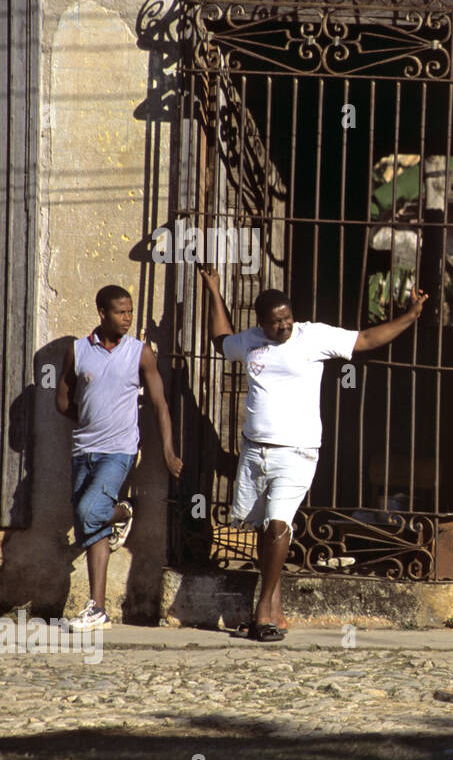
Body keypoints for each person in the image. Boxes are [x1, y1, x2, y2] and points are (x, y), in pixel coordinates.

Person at [198, 264, 427, 641]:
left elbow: (366, 339)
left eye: (287, 318)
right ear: (261, 323)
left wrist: (410, 316)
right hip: (255, 452)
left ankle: (262, 612)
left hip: (298, 451)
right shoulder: (251, 341)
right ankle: (276, 610)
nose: (283, 326)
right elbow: (220, 340)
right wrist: (214, 290)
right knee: (262, 530)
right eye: (275, 322)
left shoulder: (312, 337)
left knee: (278, 526)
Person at [55, 285, 183, 630]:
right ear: (102, 312)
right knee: (92, 526)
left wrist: (168, 450)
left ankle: (124, 512)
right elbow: (64, 399)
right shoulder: (79, 351)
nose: (127, 318)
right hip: (84, 449)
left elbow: (159, 404)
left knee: (88, 511)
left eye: (130, 311)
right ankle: (97, 609)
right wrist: (87, 419)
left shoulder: (139, 353)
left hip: (120, 450)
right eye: (120, 312)